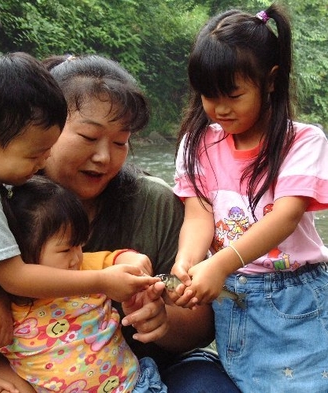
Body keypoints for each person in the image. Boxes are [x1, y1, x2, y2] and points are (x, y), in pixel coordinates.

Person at [0, 52, 157, 393]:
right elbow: (16, 277)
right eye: (34, 154)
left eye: (120, 142)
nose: (43, 162)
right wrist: (102, 280)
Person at [42, 54, 239, 391]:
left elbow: (203, 323)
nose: (105, 157)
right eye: (89, 137)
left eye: (120, 142)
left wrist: (164, 321)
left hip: (152, 372)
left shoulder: (154, 202)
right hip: (41, 371)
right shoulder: (10, 201)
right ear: (44, 129)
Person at [171, 4, 328, 392]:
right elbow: (198, 213)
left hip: (295, 298)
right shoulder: (198, 143)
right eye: (208, 95)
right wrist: (188, 261)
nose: (219, 108)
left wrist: (220, 264)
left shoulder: (302, 141)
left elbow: (285, 217)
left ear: (270, 81)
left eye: (233, 95)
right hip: (232, 297)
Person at [0, 175, 167, 392]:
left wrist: (137, 263)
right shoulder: (4, 310)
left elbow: (122, 258)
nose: (77, 257)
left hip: (134, 385)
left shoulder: (85, 267)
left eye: (80, 245)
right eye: (66, 249)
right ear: (21, 252)